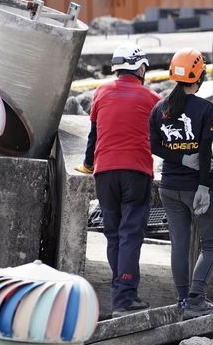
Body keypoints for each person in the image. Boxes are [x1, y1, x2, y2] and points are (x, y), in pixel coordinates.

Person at [75, 43, 161, 318]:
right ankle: (124, 297)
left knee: (113, 234)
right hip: (136, 173)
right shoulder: (152, 98)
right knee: (131, 233)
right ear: (140, 68)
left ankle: (121, 290)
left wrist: (89, 165)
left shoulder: (100, 93)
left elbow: (93, 136)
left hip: (105, 173)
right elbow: (165, 137)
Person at [149, 47, 213, 319]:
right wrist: (204, 187)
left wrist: (179, 160)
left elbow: (154, 146)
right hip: (199, 186)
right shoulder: (206, 109)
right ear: (200, 75)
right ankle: (196, 298)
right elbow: (205, 152)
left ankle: (182, 301)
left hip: (169, 187)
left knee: (179, 244)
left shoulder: (160, 108)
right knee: (212, 243)